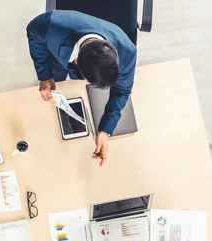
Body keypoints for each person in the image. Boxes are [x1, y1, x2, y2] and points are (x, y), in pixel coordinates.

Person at [26, 10, 137, 167]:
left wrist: (105, 131)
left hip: (77, 58)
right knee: (56, 79)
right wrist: (44, 75)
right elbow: (33, 31)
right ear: (76, 61)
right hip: (58, 57)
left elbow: (122, 91)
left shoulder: (127, 52)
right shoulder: (50, 24)